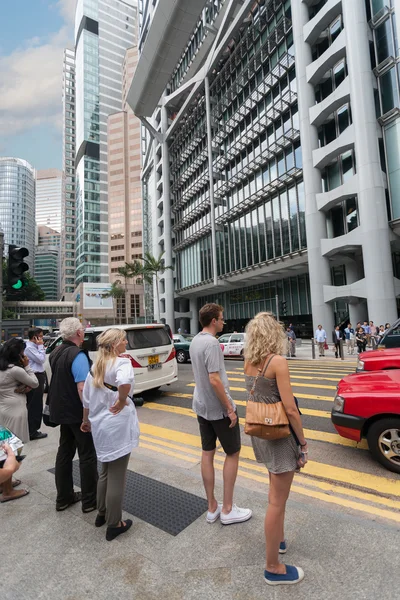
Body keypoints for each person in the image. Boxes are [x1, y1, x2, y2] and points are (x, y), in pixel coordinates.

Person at [244, 312, 307, 586]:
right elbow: (290, 408)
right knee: (276, 501)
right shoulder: (278, 361)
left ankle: (279, 540)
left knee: (274, 492)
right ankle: (273, 567)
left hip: (260, 432)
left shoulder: (248, 362)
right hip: (280, 435)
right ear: (275, 334)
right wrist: (303, 443)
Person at [190, 303, 252, 525]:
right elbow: (215, 379)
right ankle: (227, 509)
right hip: (218, 409)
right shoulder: (212, 344)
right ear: (214, 321)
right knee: (232, 453)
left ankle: (212, 507)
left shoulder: (195, 341)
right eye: (221, 318)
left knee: (207, 453)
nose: (223, 321)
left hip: (201, 406)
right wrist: (229, 408)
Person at [82, 329, 139, 542]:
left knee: (105, 471)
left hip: (99, 426)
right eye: (124, 339)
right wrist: (123, 399)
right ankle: (115, 523)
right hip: (117, 426)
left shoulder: (95, 366)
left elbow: (86, 399)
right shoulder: (122, 363)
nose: (126, 342)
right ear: (115, 344)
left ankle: (102, 513)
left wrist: (85, 420)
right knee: (117, 474)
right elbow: (124, 383)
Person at [47, 318, 98, 513]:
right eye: (82, 329)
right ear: (78, 333)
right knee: (87, 455)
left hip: (60, 411)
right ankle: (90, 501)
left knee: (65, 452)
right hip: (76, 413)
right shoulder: (78, 355)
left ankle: (64, 498)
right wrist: (87, 418)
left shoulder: (56, 352)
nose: (83, 331)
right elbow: (82, 388)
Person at [0, 338, 39, 502]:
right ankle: (7, 491)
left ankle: (4, 482)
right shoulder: (15, 370)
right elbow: (35, 383)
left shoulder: (2, 368)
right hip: (15, 411)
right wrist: (28, 366)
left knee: (4, 448)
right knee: (12, 451)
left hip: (3, 410)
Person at [25, 328, 47, 441]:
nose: (42, 338)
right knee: (34, 404)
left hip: (39, 375)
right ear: (35, 337)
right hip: (35, 376)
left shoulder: (33, 347)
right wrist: (40, 346)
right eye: (41, 336)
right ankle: (32, 430)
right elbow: (41, 359)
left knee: (37, 403)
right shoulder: (29, 348)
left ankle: (34, 429)